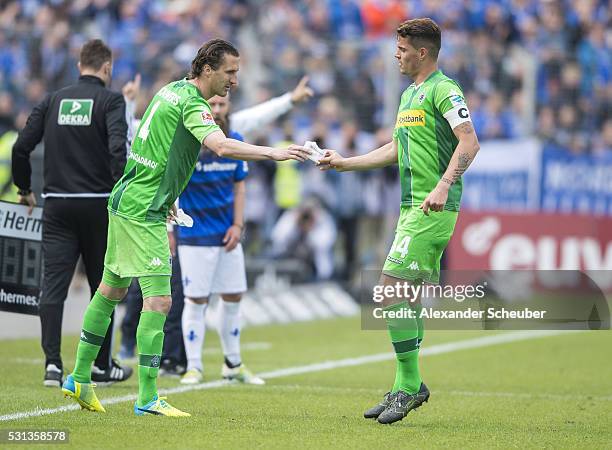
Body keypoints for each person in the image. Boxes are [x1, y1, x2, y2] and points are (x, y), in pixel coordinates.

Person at [60, 38, 310, 417]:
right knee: (159, 300)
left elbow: (154, 150)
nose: (235, 80)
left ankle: (79, 376)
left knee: (111, 290)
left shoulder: (169, 91)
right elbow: (221, 146)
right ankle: (146, 397)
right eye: (230, 72)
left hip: (127, 202)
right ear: (207, 70)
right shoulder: (193, 103)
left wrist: (171, 199)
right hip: (143, 212)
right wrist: (273, 152)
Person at [319, 18, 480, 424]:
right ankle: (407, 384)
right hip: (411, 208)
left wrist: (443, 185)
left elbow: (470, 142)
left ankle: (408, 386)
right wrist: (346, 163)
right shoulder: (410, 95)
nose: (396, 54)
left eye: (403, 48)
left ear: (422, 52)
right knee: (403, 295)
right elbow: (395, 148)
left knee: (389, 291)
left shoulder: (444, 90)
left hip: (432, 207)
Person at [11, 39, 133, 387]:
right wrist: (122, 193)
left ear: (80, 65)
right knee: (104, 287)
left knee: (53, 286)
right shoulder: (111, 100)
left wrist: (24, 189)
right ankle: (100, 364)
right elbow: (116, 151)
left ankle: (52, 364)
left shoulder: (53, 99)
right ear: (106, 68)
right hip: (98, 206)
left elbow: (22, 147)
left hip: (58, 205)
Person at [177, 94, 262, 385]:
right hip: (195, 236)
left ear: (228, 109)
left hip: (228, 236)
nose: (216, 110)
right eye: (211, 105)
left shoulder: (234, 140)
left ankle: (233, 364)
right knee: (196, 300)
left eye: (221, 105)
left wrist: (238, 225)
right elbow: (172, 186)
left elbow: (239, 188)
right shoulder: (188, 143)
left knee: (233, 296)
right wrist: (170, 229)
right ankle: (194, 366)